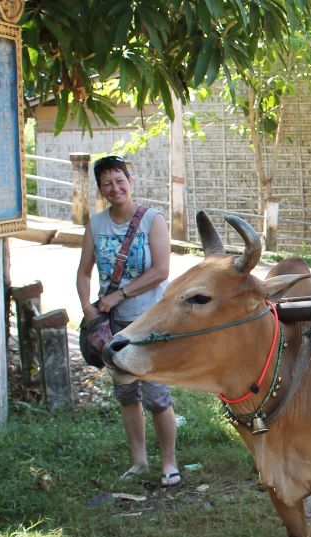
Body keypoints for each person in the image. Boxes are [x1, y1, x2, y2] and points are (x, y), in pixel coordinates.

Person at [76, 155, 181, 487]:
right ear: (100, 189)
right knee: (126, 394)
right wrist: (88, 309)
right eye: (107, 183)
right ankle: (138, 461)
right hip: (114, 325)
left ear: (129, 180)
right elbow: (83, 272)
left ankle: (169, 463)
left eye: (119, 180)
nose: (115, 187)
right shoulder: (95, 225)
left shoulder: (152, 219)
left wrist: (119, 295)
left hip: (149, 323)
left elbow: (161, 271)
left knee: (157, 395)